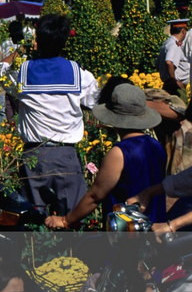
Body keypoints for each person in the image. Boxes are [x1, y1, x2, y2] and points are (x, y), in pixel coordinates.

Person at [46, 81, 166, 229]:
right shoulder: (156, 145)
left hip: (126, 231)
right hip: (155, 225)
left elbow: (96, 195)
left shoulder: (120, 152)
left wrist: (66, 220)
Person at [13, 14, 99, 213]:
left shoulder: (23, 72)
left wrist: (19, 51)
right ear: (65, 40)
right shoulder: (79, 73)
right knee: (73, 215)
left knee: (33, 217)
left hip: (34, 155)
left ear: (38, 40)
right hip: (65, 154)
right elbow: (93, 101)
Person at [160, 18, 190, 95]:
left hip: (170, 85)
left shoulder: (167, 42)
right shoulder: (173, 44)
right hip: (176, 88)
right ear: (183, 31)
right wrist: (174, 82)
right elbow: (169, 62)